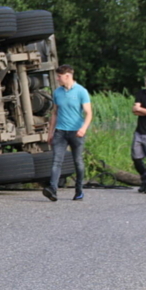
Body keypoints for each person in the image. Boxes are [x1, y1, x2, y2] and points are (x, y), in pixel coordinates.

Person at [44, 64, 92, 201]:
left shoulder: (81, 91)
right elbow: (54, 113)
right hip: (60, 132)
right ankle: (52, 189)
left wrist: (83, 128)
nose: (57, 79)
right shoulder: (57, 92)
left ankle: (79, 190)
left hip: (76, 132)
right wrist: (50, 132)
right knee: (56, 161)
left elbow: (89, 113)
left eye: (59, 77)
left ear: (67, 76)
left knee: (78, 162)